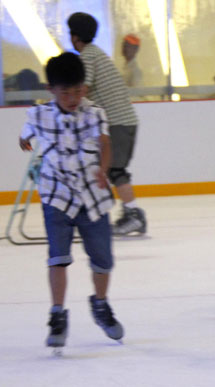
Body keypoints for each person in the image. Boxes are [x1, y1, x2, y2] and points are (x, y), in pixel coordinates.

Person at [18, 53, 124, 350]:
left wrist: (103, 170)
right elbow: (25, 134)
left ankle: (100, 304)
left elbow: (105, 144)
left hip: (93, 196)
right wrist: (24, 139)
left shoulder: (95, 113)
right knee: (58, 258)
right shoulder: (38, 115)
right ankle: (57, 314)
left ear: (85, 88)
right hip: (57, 197)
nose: (73, 97)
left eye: (78, 90)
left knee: (103, 260)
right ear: (50, 89)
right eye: (65, 92)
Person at [68, 13, 146, 235]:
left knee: (114, 169)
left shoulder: (88, 57)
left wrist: (65, 108)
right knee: (108, 168)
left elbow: (84, 88)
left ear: (74, 36)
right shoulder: (96, 54)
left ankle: (133, 215)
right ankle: (127, 213)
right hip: (122, 121)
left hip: (117, 123)